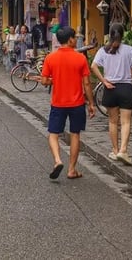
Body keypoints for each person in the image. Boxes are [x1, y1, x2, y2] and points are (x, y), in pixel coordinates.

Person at [40, 27, 96, 180]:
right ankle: (71, 170)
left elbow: (44, 81)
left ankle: (58, 160)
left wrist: (55, 80)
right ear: (70, 40)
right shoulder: (80, 58)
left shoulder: (50, 58)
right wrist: (91, 103)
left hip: (58, 103)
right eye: (75, 37)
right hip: (77, 103)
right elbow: (87, 84)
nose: (76, 40)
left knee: (53, 134)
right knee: (75, 134)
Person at [90, 22, 132, 166]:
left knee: (113, 121)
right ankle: (123, 150)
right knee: (126, 122)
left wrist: (104, 81)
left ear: (110, 34)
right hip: (125, 88)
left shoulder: (103, 50)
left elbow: (93, 66)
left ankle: (115, 150)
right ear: (123, 34)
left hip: (110, 89)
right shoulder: (129, 50)